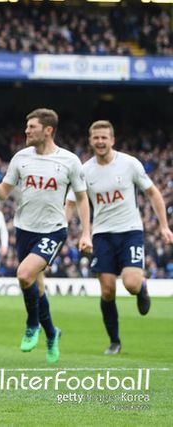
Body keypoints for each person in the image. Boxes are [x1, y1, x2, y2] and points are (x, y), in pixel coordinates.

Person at [0, 108, 92, 364]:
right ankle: (52, 333)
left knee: (23, 274)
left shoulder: (69, 161)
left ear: (48, 130)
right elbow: (3, 192)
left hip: (53, 229)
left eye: (32, 127)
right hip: (24, 229)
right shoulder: (21, 158)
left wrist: (86, 233)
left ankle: (32, 325)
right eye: (27, 126)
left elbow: (82, 197)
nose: (26, 131)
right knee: (36, 286)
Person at [65, 120, 173, 355]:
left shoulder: (129, 164)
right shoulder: (84, 171)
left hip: (130, 232)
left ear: (112, 140)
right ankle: (114, 341)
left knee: (131, 284)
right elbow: (72, 202)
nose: (100, 141)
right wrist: (72, 230)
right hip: (102, 235)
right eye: (96, 138)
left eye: (104, 137)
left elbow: (153, 193)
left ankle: (141, 287)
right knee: (107, 291)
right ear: (90, 140)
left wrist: (164, 226)